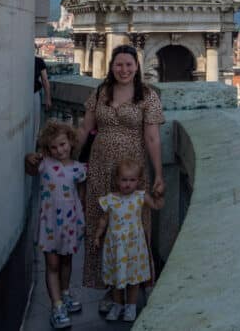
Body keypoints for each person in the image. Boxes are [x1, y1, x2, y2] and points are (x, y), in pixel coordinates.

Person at [77, 45, 165, 313]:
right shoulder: (100, 93)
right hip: (101, 167)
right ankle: (109, 287)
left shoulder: (147, 96)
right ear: (112, 67)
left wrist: (159, 173)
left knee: (133, 230)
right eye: (119, 65)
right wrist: (67, 158)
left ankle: (132, 287)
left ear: (137, 67)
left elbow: (152, 137)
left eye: (128, 65)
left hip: (132, 172)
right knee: (101, 226)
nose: (124, 69)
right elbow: (85, 128)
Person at [24, 120, 87, 329]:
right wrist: (29, 158)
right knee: (52, 265)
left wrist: (82, 219)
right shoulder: (45, 164)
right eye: (53, 147)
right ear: (47, 148)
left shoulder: (79, 169)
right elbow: (30, 169)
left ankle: (65, 293)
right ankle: (57, 305)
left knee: (67, 262)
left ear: (70, 142)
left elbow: (81, 194)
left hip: (69, 224)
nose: (59, 150)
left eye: (62, 144)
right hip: (50, 224)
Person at [93, 158, 163, 322]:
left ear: (138, 181)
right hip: (116, 246)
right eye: (124, 180)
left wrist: (159, 194)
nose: (128, 184)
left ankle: (131, 307)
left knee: (133, 279)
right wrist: (97, 235)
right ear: (117, 180)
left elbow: (156, 205)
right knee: (116, 278)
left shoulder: (140, 196)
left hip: (134, 246)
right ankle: (118, 305)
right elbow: (104, 219)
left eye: (132, 180)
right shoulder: (110, 199)